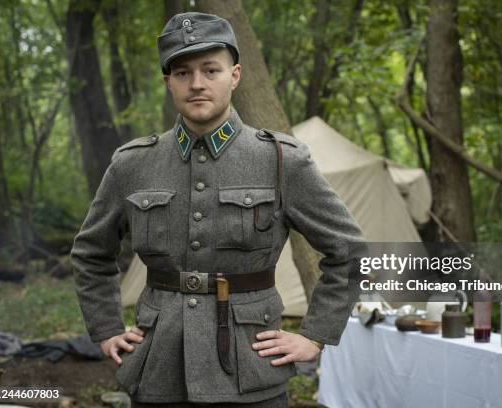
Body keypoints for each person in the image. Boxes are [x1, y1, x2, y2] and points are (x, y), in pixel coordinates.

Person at [70, 11, 366, 407]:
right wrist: (107, 328)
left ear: (235, 75)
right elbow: (91, 252)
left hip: (251, 366)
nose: (197, 84)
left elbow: (349, 250)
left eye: (211, 70)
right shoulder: (133, 163)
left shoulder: (280, 160)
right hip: (160, 364)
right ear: (167, 82)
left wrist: (314, 335)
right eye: (182, 73)